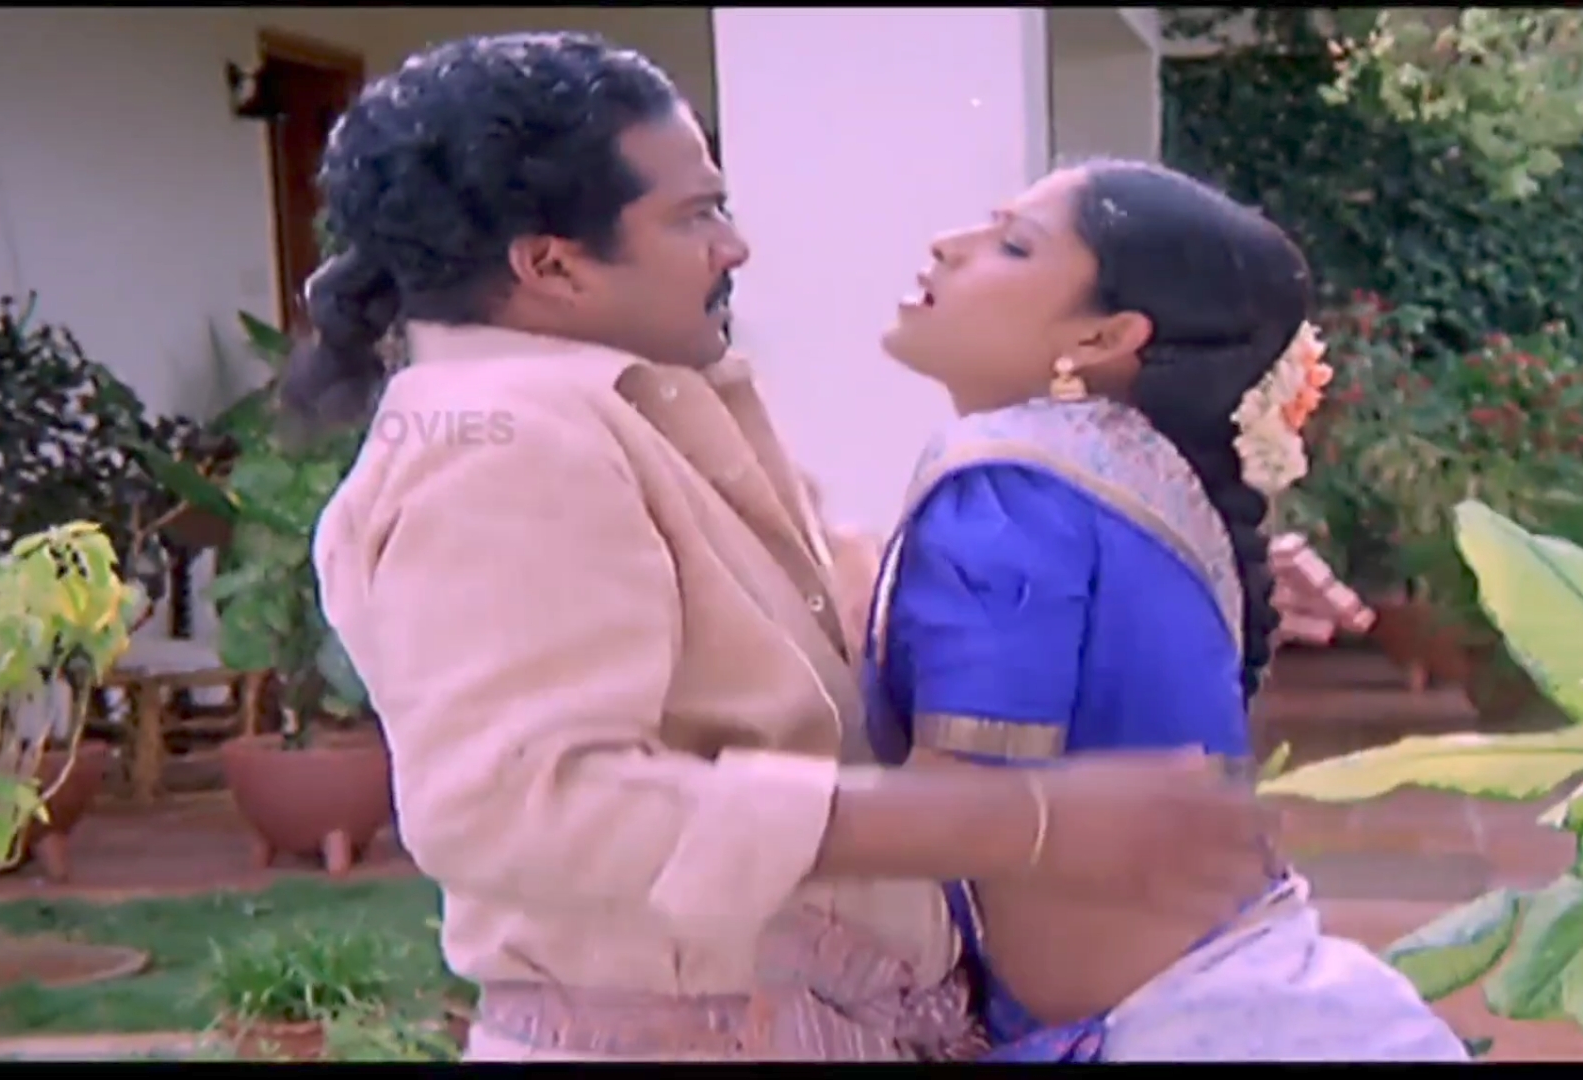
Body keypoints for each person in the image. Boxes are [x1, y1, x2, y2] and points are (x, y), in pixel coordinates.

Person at [295, 34, 1293, 1062]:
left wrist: (1146, 552)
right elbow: (528, 810)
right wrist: (1021, 818)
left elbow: (832, 619)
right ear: (551, 265)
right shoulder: (499, 447)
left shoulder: (627, 409)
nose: (734, 247)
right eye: (694, 216)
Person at [864, 159, 1468, 1061]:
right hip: (1258, 996)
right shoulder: (1134, 476)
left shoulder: (1007, 486)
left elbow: (954, 808)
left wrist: (704, 811)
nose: (951, 246)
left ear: (1105, 336)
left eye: (1013, 244)